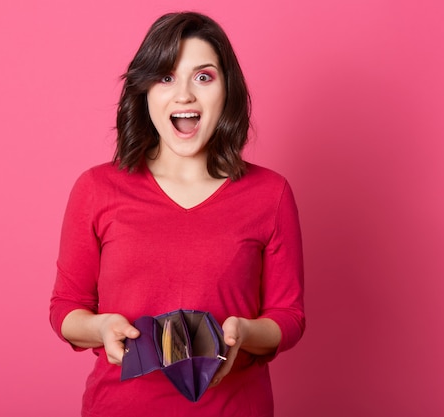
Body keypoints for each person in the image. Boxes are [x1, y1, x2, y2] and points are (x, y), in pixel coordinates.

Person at [50, 11, 305, 417]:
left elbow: (288, 316)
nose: (184, 94)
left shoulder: (270, 194)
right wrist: (100, 328)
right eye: (166, 77)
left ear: (228, 90)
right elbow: (66, 308)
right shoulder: (96, 189)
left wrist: (245, 334)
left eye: (203, 77)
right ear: (145, 90)